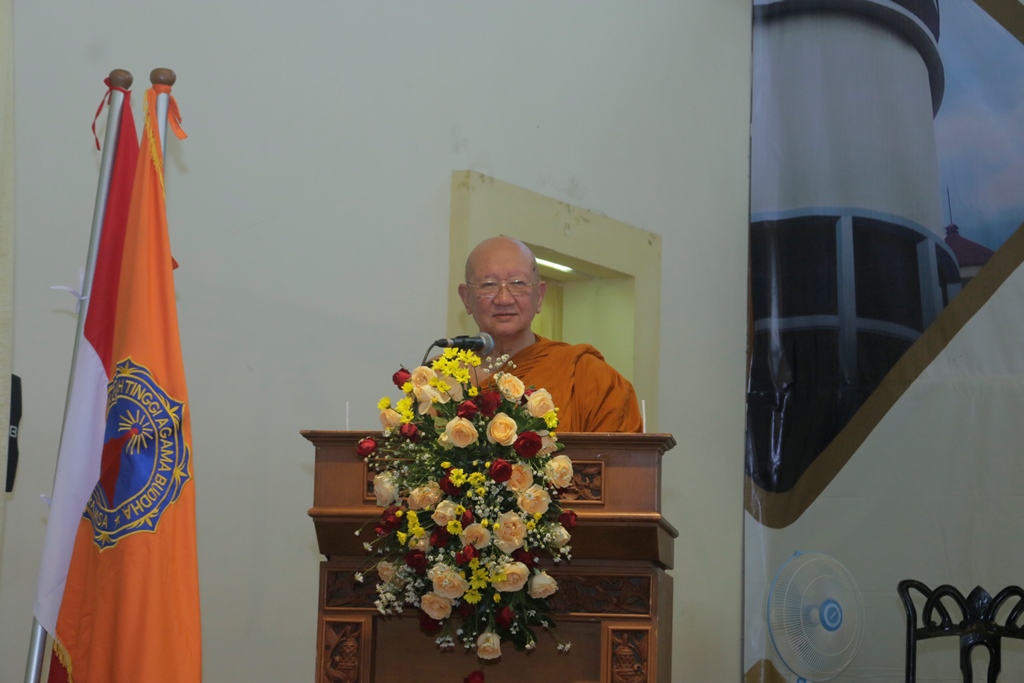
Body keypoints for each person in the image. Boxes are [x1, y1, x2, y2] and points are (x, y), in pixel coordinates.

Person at [457, 236, 643, 432]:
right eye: (488, 285)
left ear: (540, 296)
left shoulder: (588, 377)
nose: (504, 299)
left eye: (518, 283)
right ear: (466, 298)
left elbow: (619, 459)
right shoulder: (440, 380)